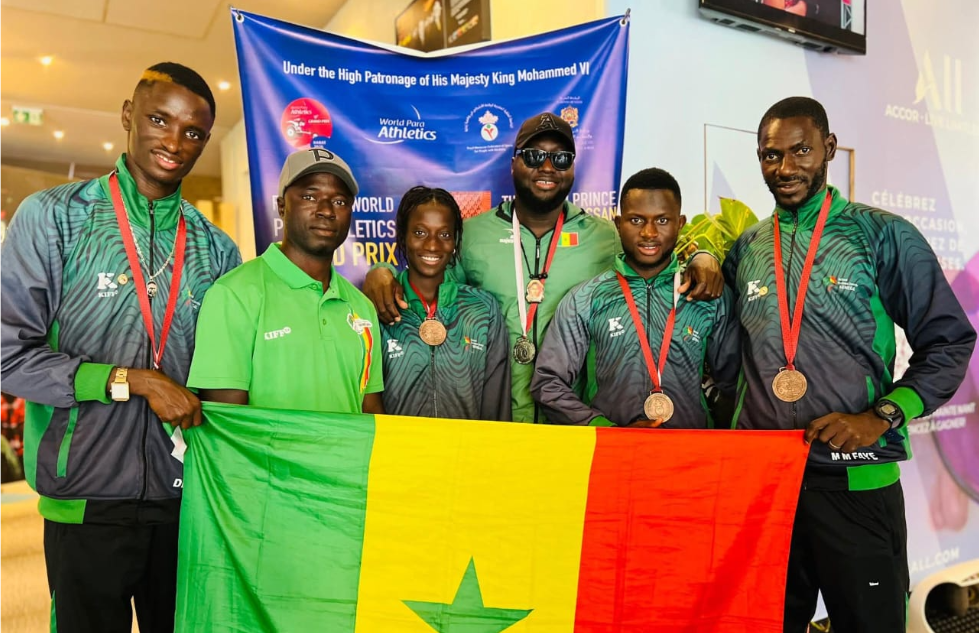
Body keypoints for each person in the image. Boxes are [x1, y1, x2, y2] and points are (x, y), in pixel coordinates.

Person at [0, 63, 241, 633]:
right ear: (129, 115)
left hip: (185, 501)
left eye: (193, 132)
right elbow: (8, 354)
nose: (174, 142)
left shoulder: (217, 250)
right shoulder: (55, 218)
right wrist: (128, 380)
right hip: (84, 496)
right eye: (159, 120)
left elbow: (227, 374)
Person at [722, 96, 976, 632]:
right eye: (771, 155)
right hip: (767, 487)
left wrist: (882, 415)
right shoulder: (745, 248)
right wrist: (701, 259)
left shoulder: (882, 235)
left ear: (830, 149)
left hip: (857, 483)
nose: (785, 168)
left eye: (801, 151)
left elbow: (950, 341)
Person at [364, 112, 724, 423]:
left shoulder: (606, 236)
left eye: (561, 158)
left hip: (574, 425)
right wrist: (381, 272)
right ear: (513, 164)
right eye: (534, 156)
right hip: (497, 418)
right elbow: (432, 286)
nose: (548, 167)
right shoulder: (472, 235)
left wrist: (703, 257)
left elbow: (653, 259)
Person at [532, 168, 739, 428]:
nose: (649, 233)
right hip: (612, 449)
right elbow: (548, 383)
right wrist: (608, 431)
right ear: (619, 224)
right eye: (636, 220)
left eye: (662, 220)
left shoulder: (706, 294)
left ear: (680, 223)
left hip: (690, 449)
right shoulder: (585, 299)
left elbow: (735, 384)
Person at [188, 148, 383, 414]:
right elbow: (226, 422)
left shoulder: (362, 307)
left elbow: (371, 412)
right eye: (310, 196)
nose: (326, 211)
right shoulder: (233, 294)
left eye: (339, 201)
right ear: (282, 207)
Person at [380, 186, 511, 420]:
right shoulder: (381, 307)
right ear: (403, 237)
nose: (432, 245)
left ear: (455, 242)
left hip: (467, 444)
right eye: (420, 232)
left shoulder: (483, 310)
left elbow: (496, 406)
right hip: (398, 444)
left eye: (444, 235)